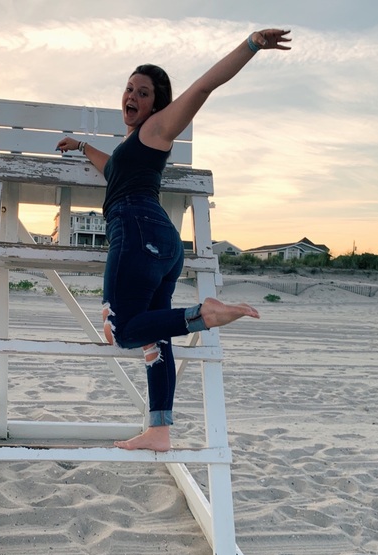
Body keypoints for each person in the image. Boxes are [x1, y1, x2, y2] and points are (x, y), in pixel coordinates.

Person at [56, 29, 292, 452]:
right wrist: (82, 146)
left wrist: (252, 44)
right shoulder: (134, 146)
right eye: (129, 88)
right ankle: (159, 430)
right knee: (154, 335)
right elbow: (111, 168)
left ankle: (203, 315)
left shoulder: (158, 128)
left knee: (121, 330)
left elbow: (203, 86)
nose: (132, 96)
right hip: (164, 244)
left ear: (157, 104)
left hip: (136, 232)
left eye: (143, 92)